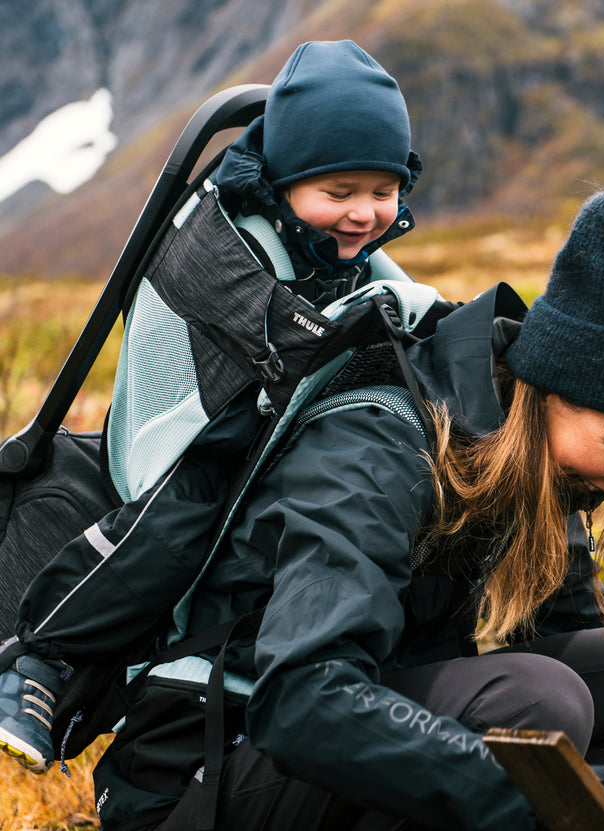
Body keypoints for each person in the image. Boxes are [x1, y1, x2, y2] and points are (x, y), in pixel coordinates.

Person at [88, 192, 604, 831]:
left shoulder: (535, 456)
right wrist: (527, 800)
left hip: (326, 745)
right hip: (206, 776)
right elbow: (302, 701)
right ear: (553, 385)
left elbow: (568, 630)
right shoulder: (378, 445)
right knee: (537, 706)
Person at [0, 40, 425, 775]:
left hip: (245, 424)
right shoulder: (232, 238)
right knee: (183, 517)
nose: (365, 214)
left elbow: (406, 297)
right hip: (174, 444)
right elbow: (299, 336)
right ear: (287, 181)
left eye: (384, 192)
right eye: (342, 191)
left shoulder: (327, 236)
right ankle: (39, 662)